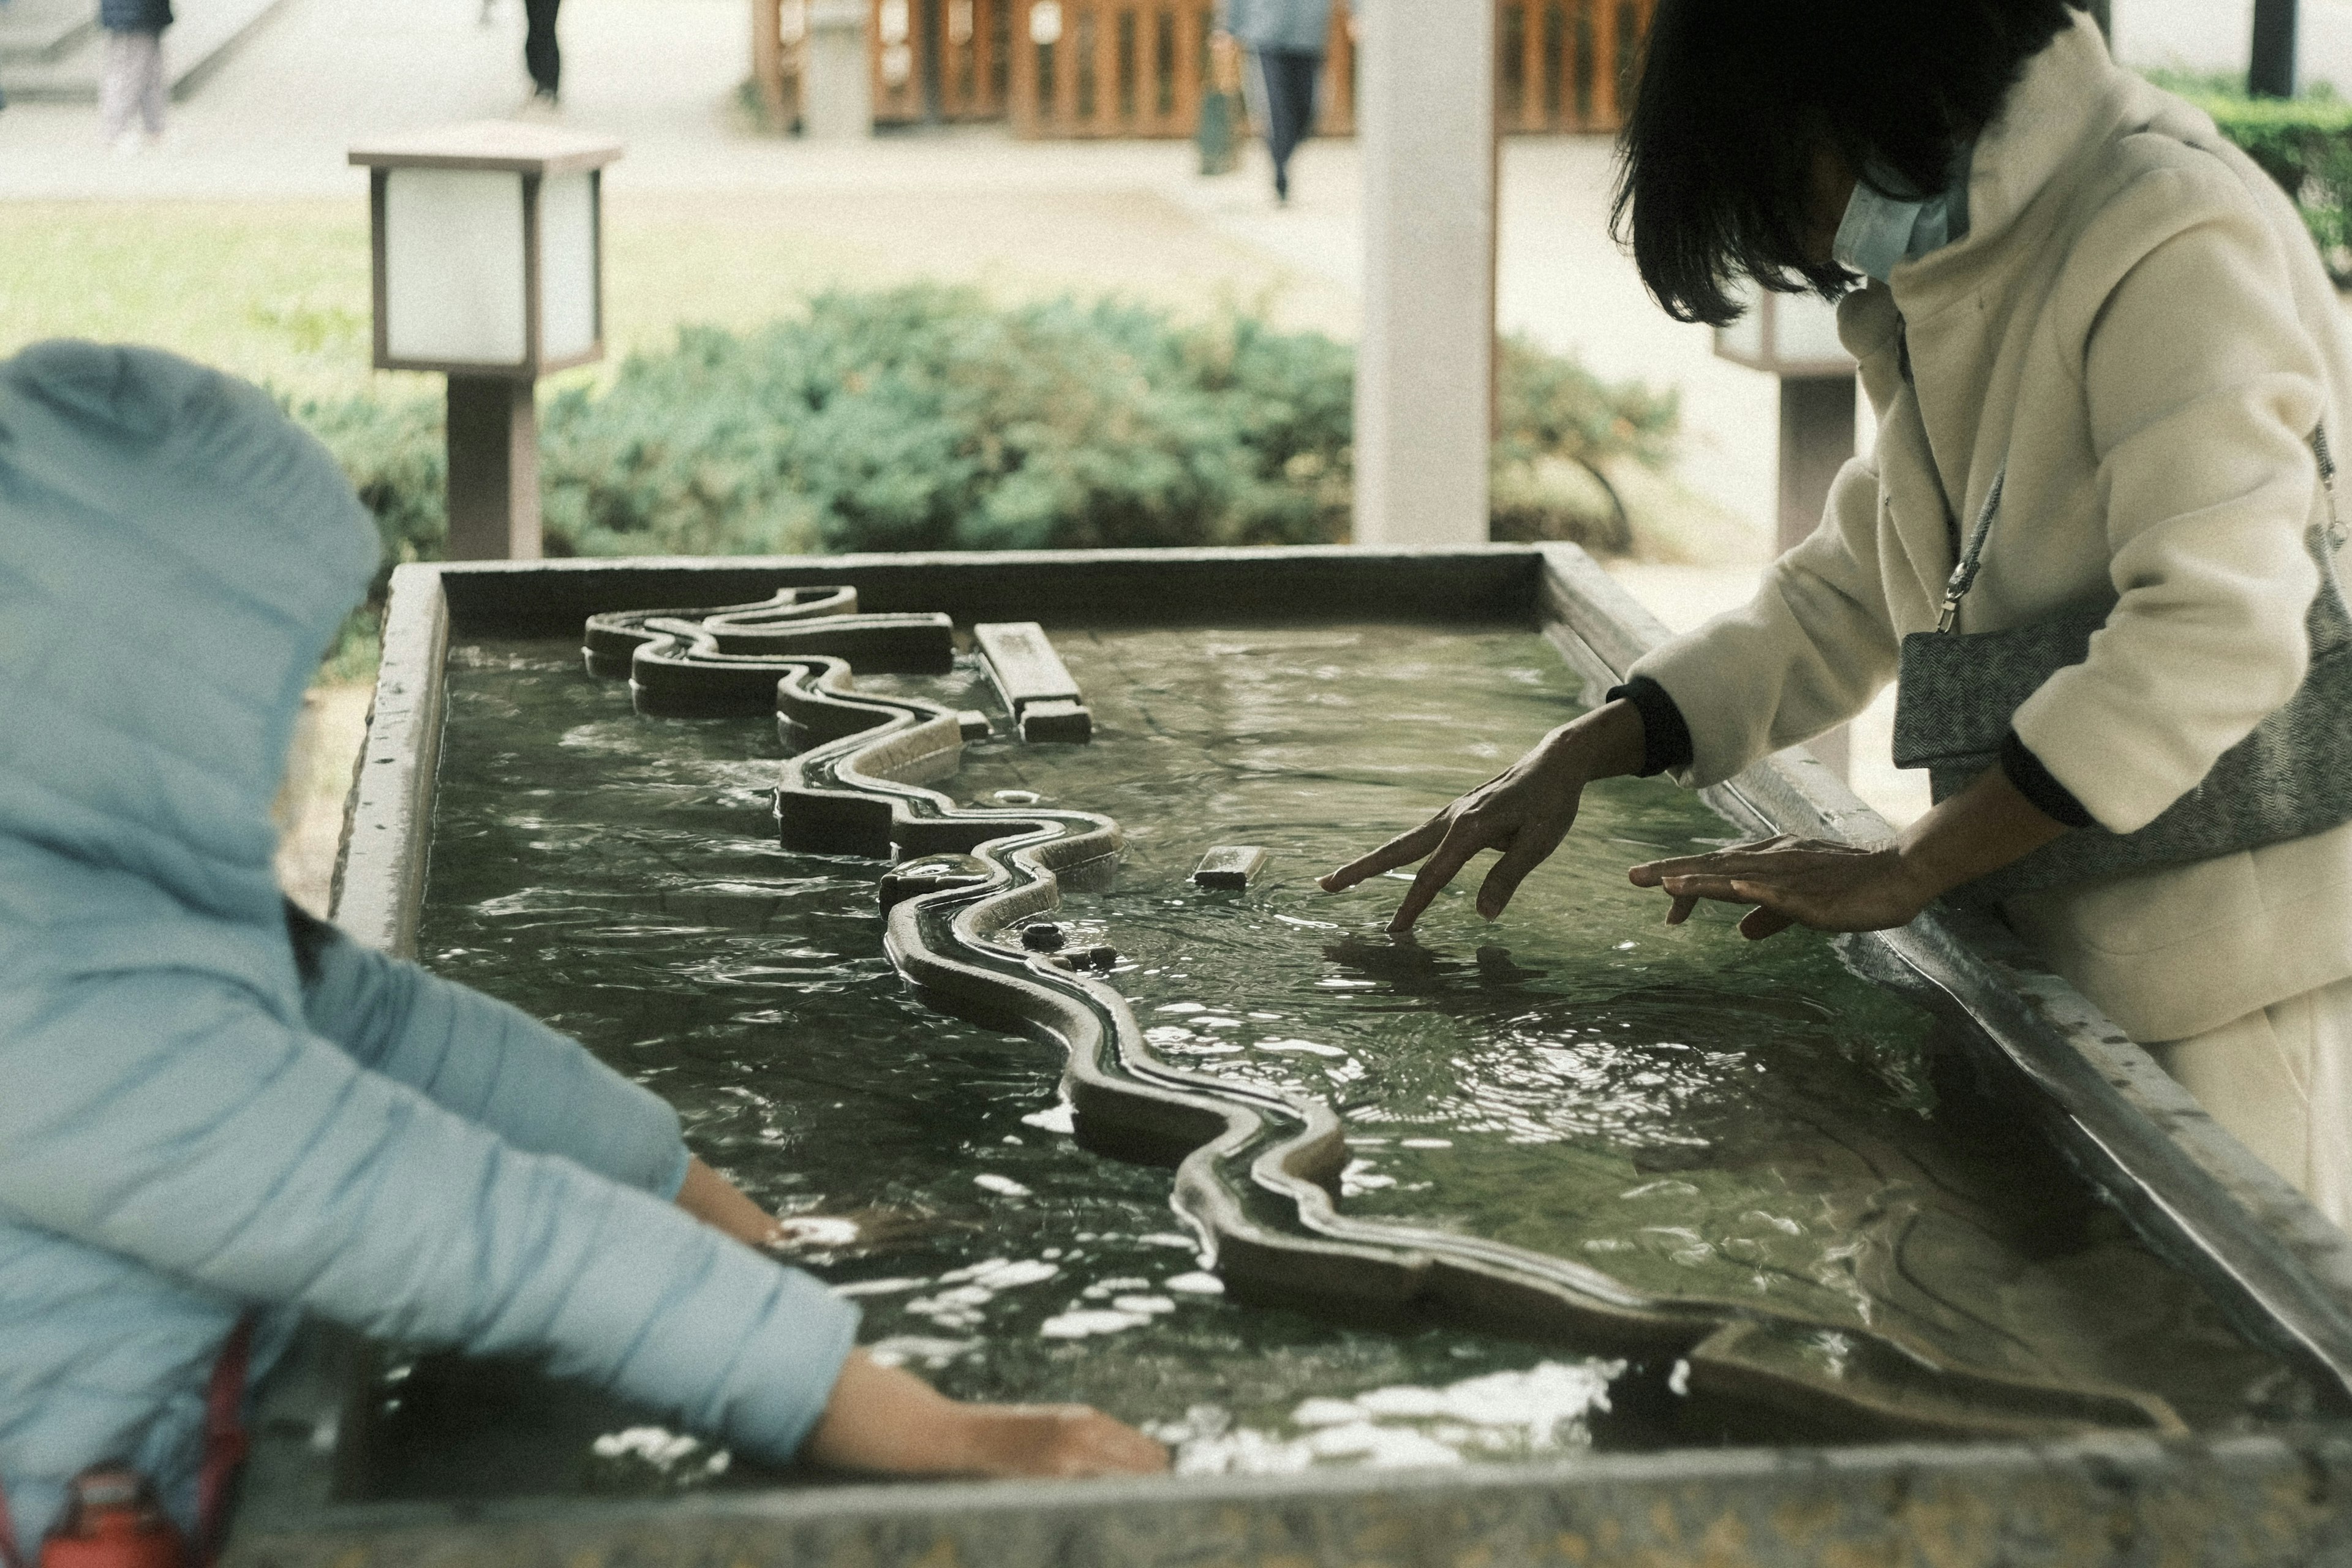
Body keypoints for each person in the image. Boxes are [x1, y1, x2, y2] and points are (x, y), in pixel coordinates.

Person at [0, 341, 1165, 1562]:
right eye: (260, 681)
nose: (283, 724)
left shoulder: (95, 895)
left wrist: (739, 1218)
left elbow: (406, 1032)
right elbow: (470, 1227)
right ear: (136, 684)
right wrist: (935, 1428)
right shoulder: (57, 1008)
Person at [1322, 1, 2352, 1226]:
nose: (1808, 240)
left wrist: (1911, 864)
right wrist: (1583, 747)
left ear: (1860, 92)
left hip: (2221, 992)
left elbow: (2216, 626)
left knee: (2192, 1382)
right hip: (2053, 936)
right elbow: (1858, 580)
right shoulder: (1980, 256)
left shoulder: (2164, 227)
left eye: (1781, 186)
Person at [1218, 0, 1330, 204]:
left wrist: (1358, 12)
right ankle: (1280, 170)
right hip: (1265, 35)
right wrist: (1227, 27)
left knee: (1308, 111)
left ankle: (1281, 155)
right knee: (1275, 110)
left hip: (1309, 35)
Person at [96, 0, 169, 153]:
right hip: (132, 12)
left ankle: (154, 130)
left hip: (145, 12)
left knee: (150, 71)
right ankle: (115, 133)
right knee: (127, 71)